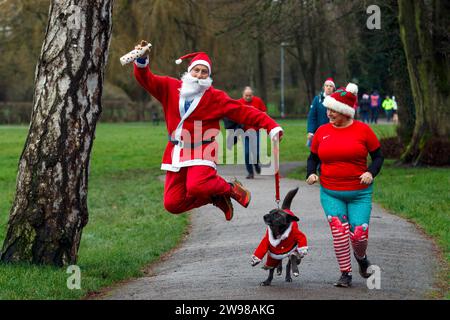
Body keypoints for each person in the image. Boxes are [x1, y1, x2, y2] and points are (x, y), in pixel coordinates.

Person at [132, 41, 283, 222]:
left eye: (204, 72)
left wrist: (271, 125)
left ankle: (230, 188)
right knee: (172, 203)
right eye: (196, 70)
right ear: (189, 71)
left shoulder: (215, 97)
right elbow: (146, 79)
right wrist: (142, 60)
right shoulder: (170, 87)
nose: (199, 75)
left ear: (209, 76)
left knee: (197, 185)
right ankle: (216, 197)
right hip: (176, 151)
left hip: (203, 148)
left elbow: (243, 112)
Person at [305, 83, 384, 287]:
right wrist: (311, 173)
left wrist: (370, 172)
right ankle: (345, 274)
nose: (329, 113)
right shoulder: (322, 132)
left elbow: (378, 157)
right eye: (328, 109)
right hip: (331, 193)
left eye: (333, 110)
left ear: (346, 112)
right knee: (339, 232)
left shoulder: (363, 130)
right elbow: (312, 158)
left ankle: (361, 258)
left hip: (359, 194)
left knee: (359, 234)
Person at [237, 86, 267, 179]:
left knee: (256, 152)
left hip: (255, 131)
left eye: (250, 95)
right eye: (246, 95)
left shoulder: (258, 101)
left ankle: (256, 164)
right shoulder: (239, 102)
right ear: (243, 95)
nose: (248, 97)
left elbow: (264, 113)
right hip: (244, 131)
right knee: (246, 153)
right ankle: (250, 172)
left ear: (252, 95)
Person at [306, 78, 336, 147]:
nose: (328, 88)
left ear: (333, 88)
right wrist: (310, 131)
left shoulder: (336, 100)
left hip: (333, 131)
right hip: (319, 131)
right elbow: (312, 116)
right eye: (326, 86)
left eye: (330, 86)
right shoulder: (317, 99)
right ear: (324, 87)